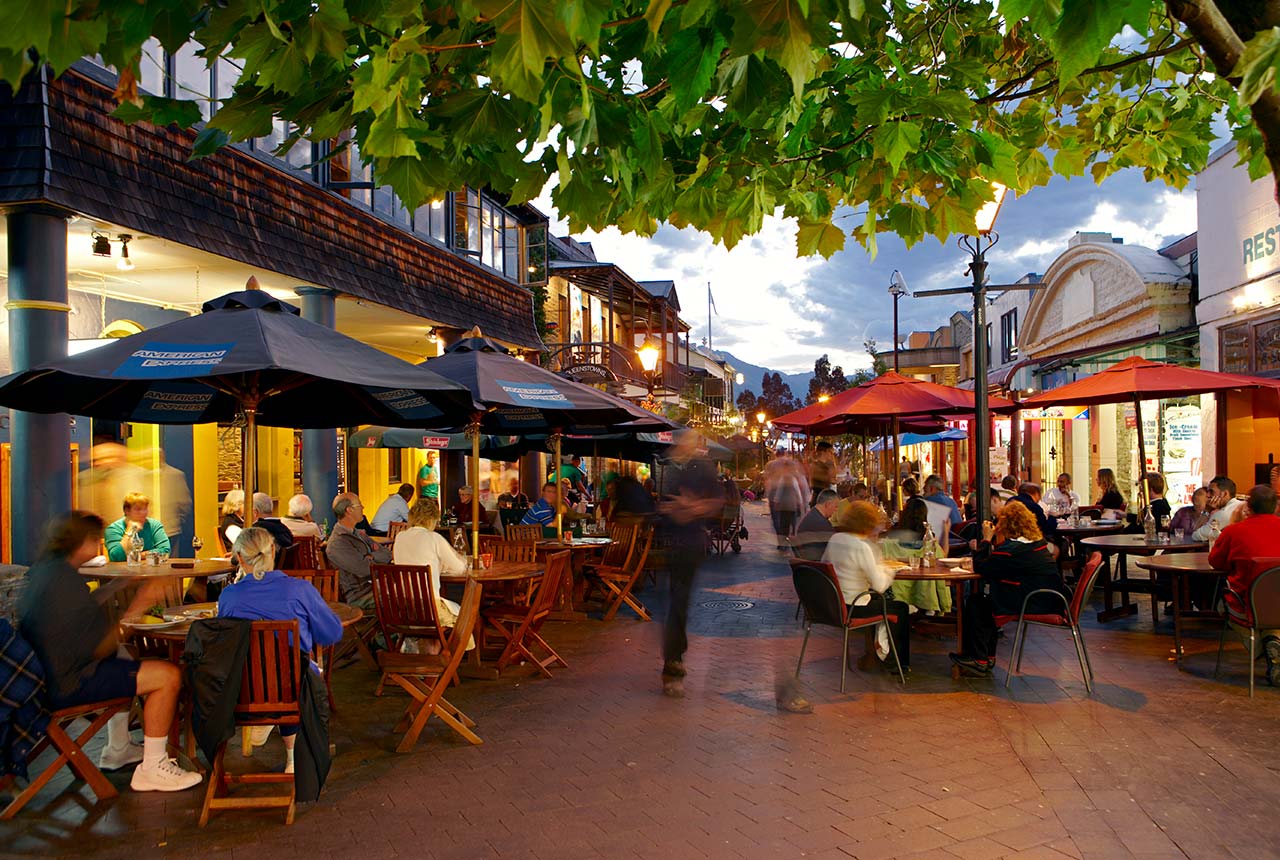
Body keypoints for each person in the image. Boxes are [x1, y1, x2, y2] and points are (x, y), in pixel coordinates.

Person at [17, 512, 202, 791]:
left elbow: (81, 615)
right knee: (168, 675)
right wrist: (139, 605)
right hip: (68, 683)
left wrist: (118, 585)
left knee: (128, 653)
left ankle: (118, 747)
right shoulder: (65, 584)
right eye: (95, 540)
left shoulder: (48, 573)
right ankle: (153, 767)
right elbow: (102, 645)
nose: (99, 546)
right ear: (80, 543)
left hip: (40, 678)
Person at [217, 527, 342, 773]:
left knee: (275, 670)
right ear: (273, 551)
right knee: (296, 668)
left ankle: (269, 723)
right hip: (292, 688)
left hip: (243, 691)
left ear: (240, 558)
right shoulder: (299, 590)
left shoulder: (229, 597)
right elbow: (332, 633)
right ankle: (293, 757)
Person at [950, 501, 1067, 675]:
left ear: (1006, 525)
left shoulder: (1012, 550)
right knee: (985, 600)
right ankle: (986, 657)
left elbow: (982, 566)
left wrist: (986, 540)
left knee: (977, 602)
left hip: (1033, 601)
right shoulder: (1035, 543)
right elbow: (998, 563)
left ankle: (979, 659)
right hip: (1050, 599)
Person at [657, 430, 724, 697]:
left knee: (679, 602)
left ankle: (674, 662)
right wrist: (672, 509)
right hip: (669, 543)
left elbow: (717, 501)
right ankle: (672, 660)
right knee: (672, 603)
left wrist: (692, 508)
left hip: (690, 544)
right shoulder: (664, 466)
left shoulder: (703, 468)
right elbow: (663, 505)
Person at [822, 500, 910, 672]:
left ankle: (877, 653)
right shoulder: (861, 547)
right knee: (900, 608)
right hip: (855, 606)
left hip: (834, 605)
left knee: (880, 601)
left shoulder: (835, 539)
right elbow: (880, 585)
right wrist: (889, 569)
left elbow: (825, 565)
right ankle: (897, 663)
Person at [1207, 485, 1280, 685]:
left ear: (1249, 506)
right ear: (1275, 507)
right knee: (1272, 616)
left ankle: (1264, 648)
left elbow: (1216, 562)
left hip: (1247, 604)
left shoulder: (1234, 532)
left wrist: (1233, 524)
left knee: (1224, 605)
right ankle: (1274, 640)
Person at [392, 499, 468, 629]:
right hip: (430, 609)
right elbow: (459, 568)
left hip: (405, 608)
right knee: (467, 614)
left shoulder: (400, 537)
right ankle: (456, 648)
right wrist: (463, 560)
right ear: (432, 519)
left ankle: (432, 647)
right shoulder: (433, 538)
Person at [325, 493, 391, 608]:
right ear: (349, 510)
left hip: (375, 586)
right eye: (359, 505)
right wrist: (371, 557)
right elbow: (366, 569)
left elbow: (387, 554)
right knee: (406, 595)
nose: (363, 507)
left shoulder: (358, 533)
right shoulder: (338, 543)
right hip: (360, 595)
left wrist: (371, 556)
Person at [104, 492, 171, 562]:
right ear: (127, 511)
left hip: (150, 569)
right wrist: (129, 531)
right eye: (138, 509)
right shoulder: (113, 529)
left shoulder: (154, 525)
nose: (143, 512)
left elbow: (165, 551)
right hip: (123, 570)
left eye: (145, 509)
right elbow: (116, 557)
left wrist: (137, 555)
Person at [767, 451, 808, 550]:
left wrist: (775, 500)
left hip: (783, 506)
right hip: (793, 506)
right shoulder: (795, 476)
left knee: (782, 524)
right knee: (793, 523)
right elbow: (800, 490)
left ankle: (783, 541)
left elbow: (778, 490)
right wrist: (801, 502)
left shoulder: (776, 469)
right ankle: (792, 540)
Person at [1193, 475, 1243, 541]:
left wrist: (1207, 510)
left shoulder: (1223, 513)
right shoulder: (1240, 505)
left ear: (1225, 494)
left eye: (1211, 491)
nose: (1207, 495)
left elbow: (1196, 536)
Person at [794, 489, 839, 561]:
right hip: (818, 564)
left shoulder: (812, 515)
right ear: (828, 504)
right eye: (836, 506)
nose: (836, 509)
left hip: (808, 562)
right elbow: (836, 546)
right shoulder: (822, 523)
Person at [809, 441, 837, 505]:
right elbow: (832, 480)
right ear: (823, 452)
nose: (832, 455)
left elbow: (833, 478)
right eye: (830, 452)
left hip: (824, 498)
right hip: (818, 499)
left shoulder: (827, 465)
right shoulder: (816, 465)